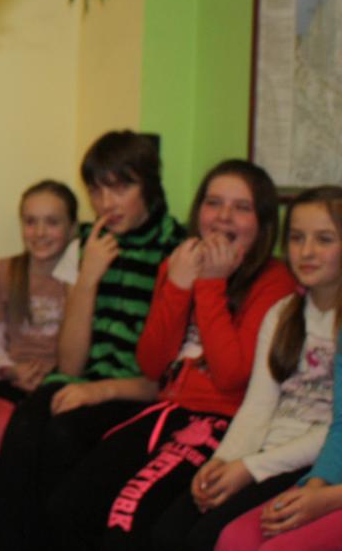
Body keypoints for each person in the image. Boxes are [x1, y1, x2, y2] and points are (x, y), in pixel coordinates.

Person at [47, 159, 296, 549]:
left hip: (221, 420)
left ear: (262, 223)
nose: (223, 216)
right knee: (70, 504)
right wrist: (177, 287)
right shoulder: (179, 262)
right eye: (213, 203)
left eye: (241, 207)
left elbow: (232, 377)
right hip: (166, 409)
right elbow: (152, 364)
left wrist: (209, 284)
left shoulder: (274, 280)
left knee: (127, 514)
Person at [0, 130, 187, 551]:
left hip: (138, 392)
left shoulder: (176, 248)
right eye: (96, 190)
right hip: (82, 379)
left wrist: (98, 391)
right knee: (24, 429)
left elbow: (167, 375)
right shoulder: (90, 243)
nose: (106, 203)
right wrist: (88, 278)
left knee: (63, 437)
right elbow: (71, 364)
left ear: (148, 185)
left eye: (120, 188)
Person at [214, 186, 342, 550]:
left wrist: (322, 495)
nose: (307, 251)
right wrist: (225, 460)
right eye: (297, 238)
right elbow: (259, 405)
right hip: (299, 462)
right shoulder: (283, 314)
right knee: (223, 535)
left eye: (324, 239)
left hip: (301, 462)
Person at [0, 180, 78, 402]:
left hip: (63, 382)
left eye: (52, 222)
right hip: (12, 378)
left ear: (72, 227)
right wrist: (10, 370)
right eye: (30, 222)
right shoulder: (4, 271)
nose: (40, 233)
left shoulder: (81, 278)